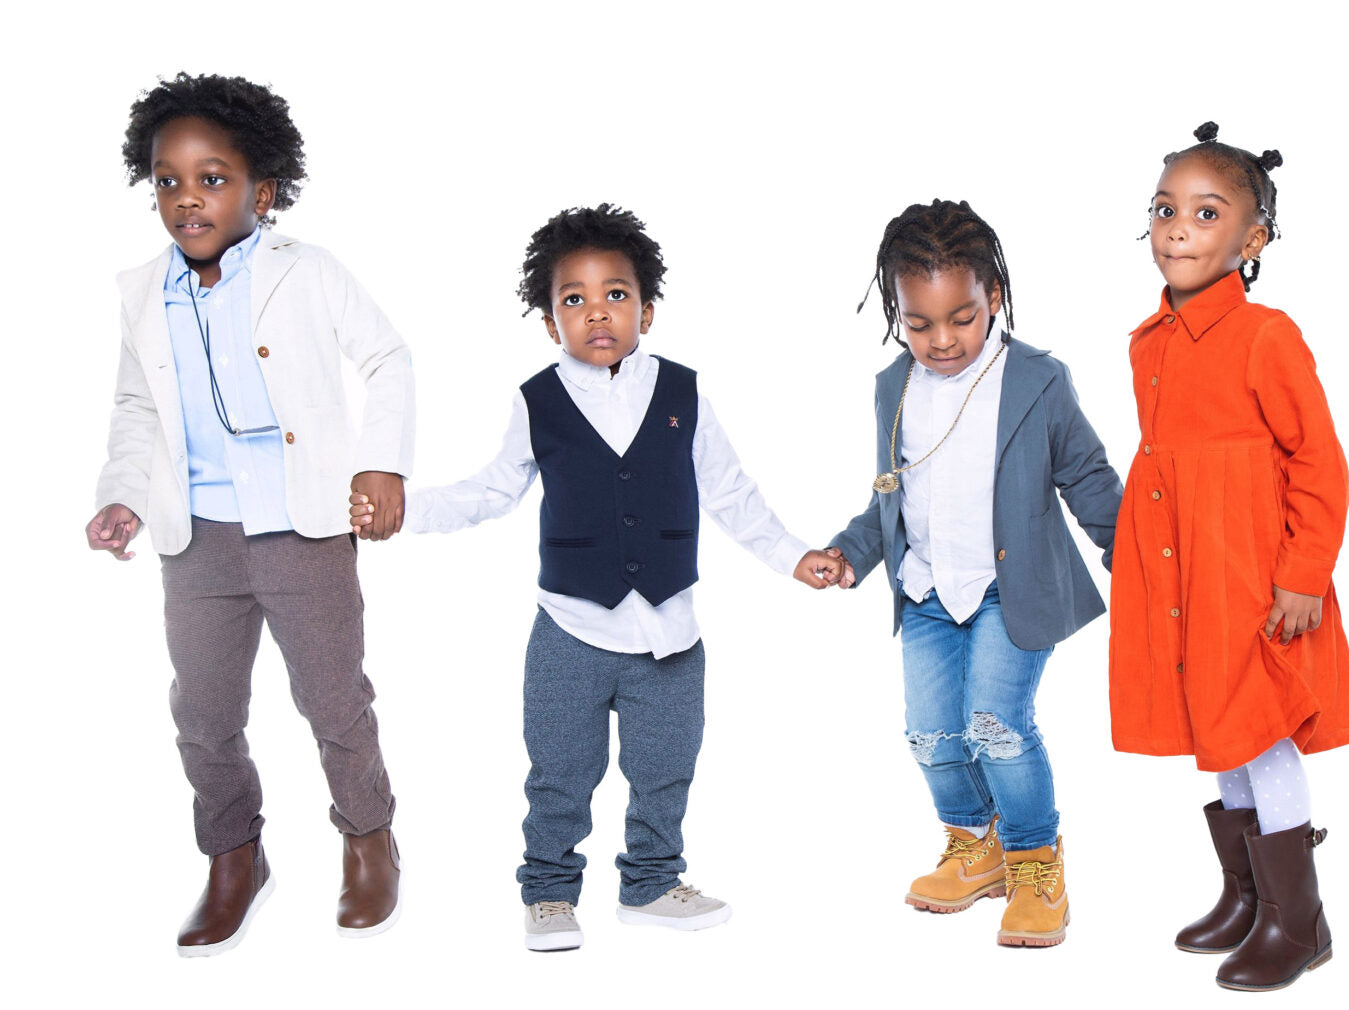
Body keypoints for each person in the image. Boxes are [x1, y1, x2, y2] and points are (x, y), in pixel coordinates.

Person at [354, 204, 841, 951]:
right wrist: (404, 510)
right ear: (551, 324)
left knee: (665, 770)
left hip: (671, 633)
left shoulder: (683, 395)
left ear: (647, 308)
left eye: (614, 294)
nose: (595, 312)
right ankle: (548, 893)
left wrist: (793, 555)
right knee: (559, 772)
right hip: (570, 630)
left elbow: (733, 494)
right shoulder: (536, 402)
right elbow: (491, 491)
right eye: (572, 300)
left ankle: (650, 884)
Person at [87, 72, 413, 955]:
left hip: (302, 528)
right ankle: (234, 855)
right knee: (203, 712)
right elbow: (135, 408)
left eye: (213, 177)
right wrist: (120, 493)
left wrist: (380, 464)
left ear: (261, 191)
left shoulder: (305, 273)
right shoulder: (141, 292)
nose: (188, 196)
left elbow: (386, 358)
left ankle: (368, 839)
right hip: (194, 539)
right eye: (168, 179)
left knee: (333, 700)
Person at [825, 200, 1122, 947]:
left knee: (997, 727)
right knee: (930, 736)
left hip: (1009, 591)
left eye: (961, 317)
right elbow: (890, 493)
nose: (941, 340)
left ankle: (1034, 862)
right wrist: (851, 553)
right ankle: (975, 844)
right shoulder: (893, 386)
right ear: (896, 311)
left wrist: (1134, 555)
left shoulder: (1037, 380)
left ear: (994, 295)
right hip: (925, 590)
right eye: (918, 323)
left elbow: (1086, 475)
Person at [1110, 122, 1349, 991]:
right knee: (1215, 726)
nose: (1177, 228)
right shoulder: (1148, 341)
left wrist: (1301, 575)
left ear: (1251, 241)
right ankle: (1247, 893)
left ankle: (1302, 919)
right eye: (1164, 209)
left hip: (1250, 572)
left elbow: (1318, 462)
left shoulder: (1266, 336)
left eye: (1205, 213)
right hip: (1183, 573)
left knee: (1260, 728)